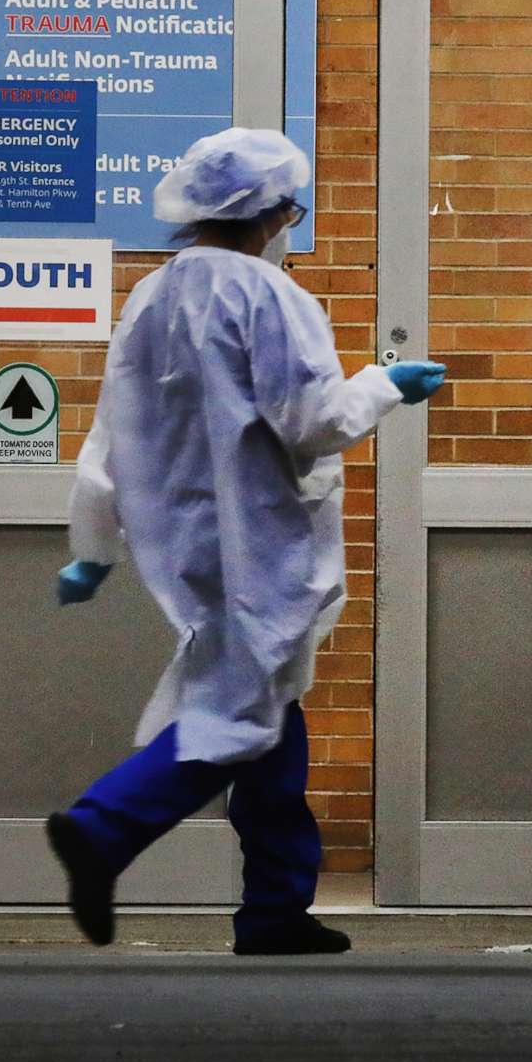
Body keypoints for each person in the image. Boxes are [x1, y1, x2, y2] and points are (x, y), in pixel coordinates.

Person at [45, 128, 447, 955]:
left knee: (267, 710)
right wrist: (387, 384)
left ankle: (274, 909)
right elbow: (313, 420)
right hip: (262, 542)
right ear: (271, 210)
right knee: (238, 714)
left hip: (187, 538)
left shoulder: (152, 297)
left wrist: (94, 543)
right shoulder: (270, 296)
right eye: (289, 207)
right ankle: (102, 825)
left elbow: (113, 427)